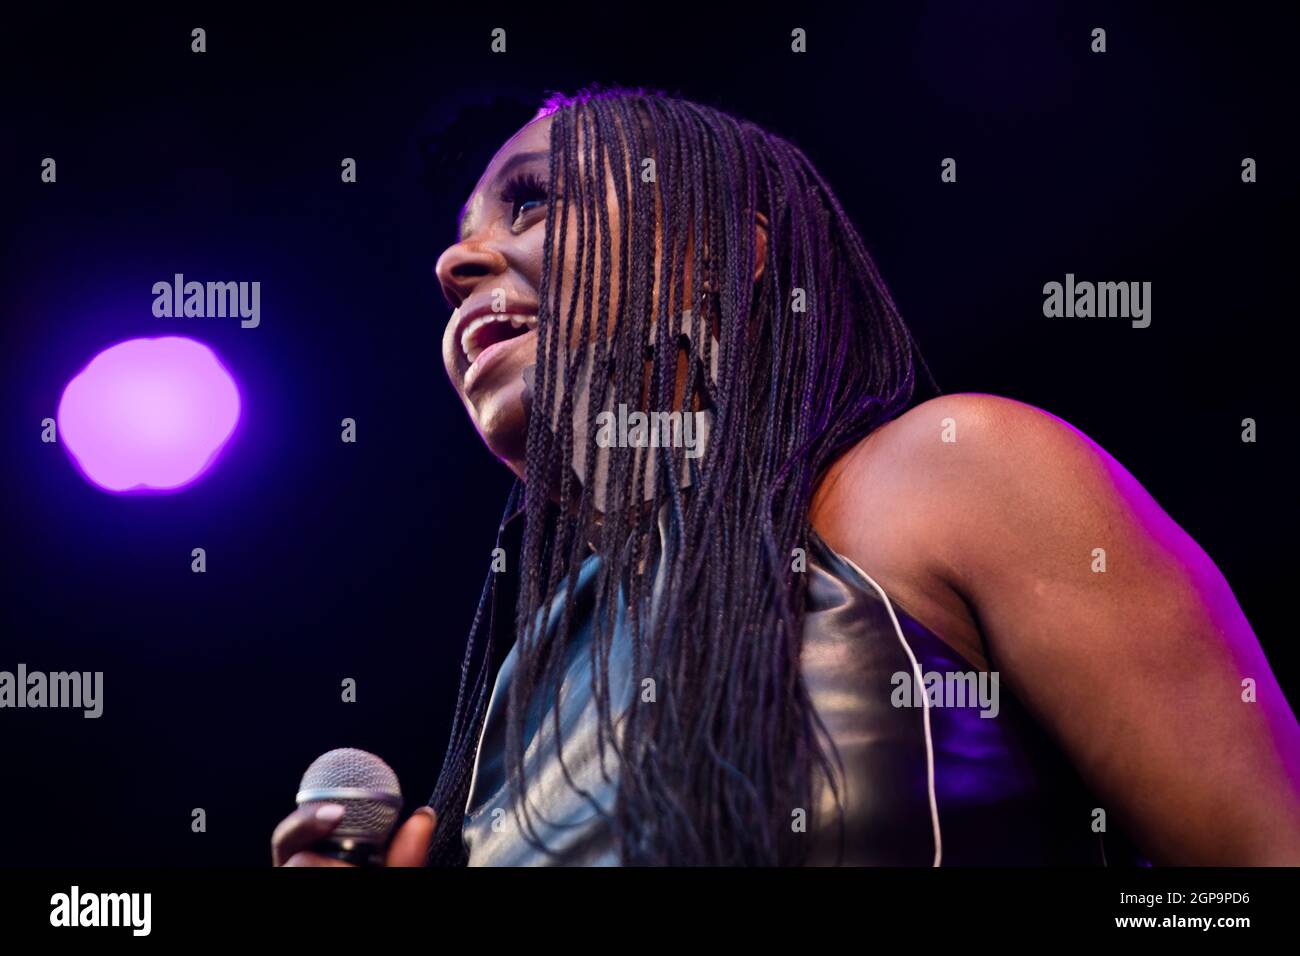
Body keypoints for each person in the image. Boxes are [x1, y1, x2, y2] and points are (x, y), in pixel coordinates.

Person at [274, 87, 1300, 867]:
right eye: (459, 241)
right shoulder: (519, 686)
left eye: (534, 202)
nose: (457, 265)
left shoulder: (951, 473)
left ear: (716, 258)